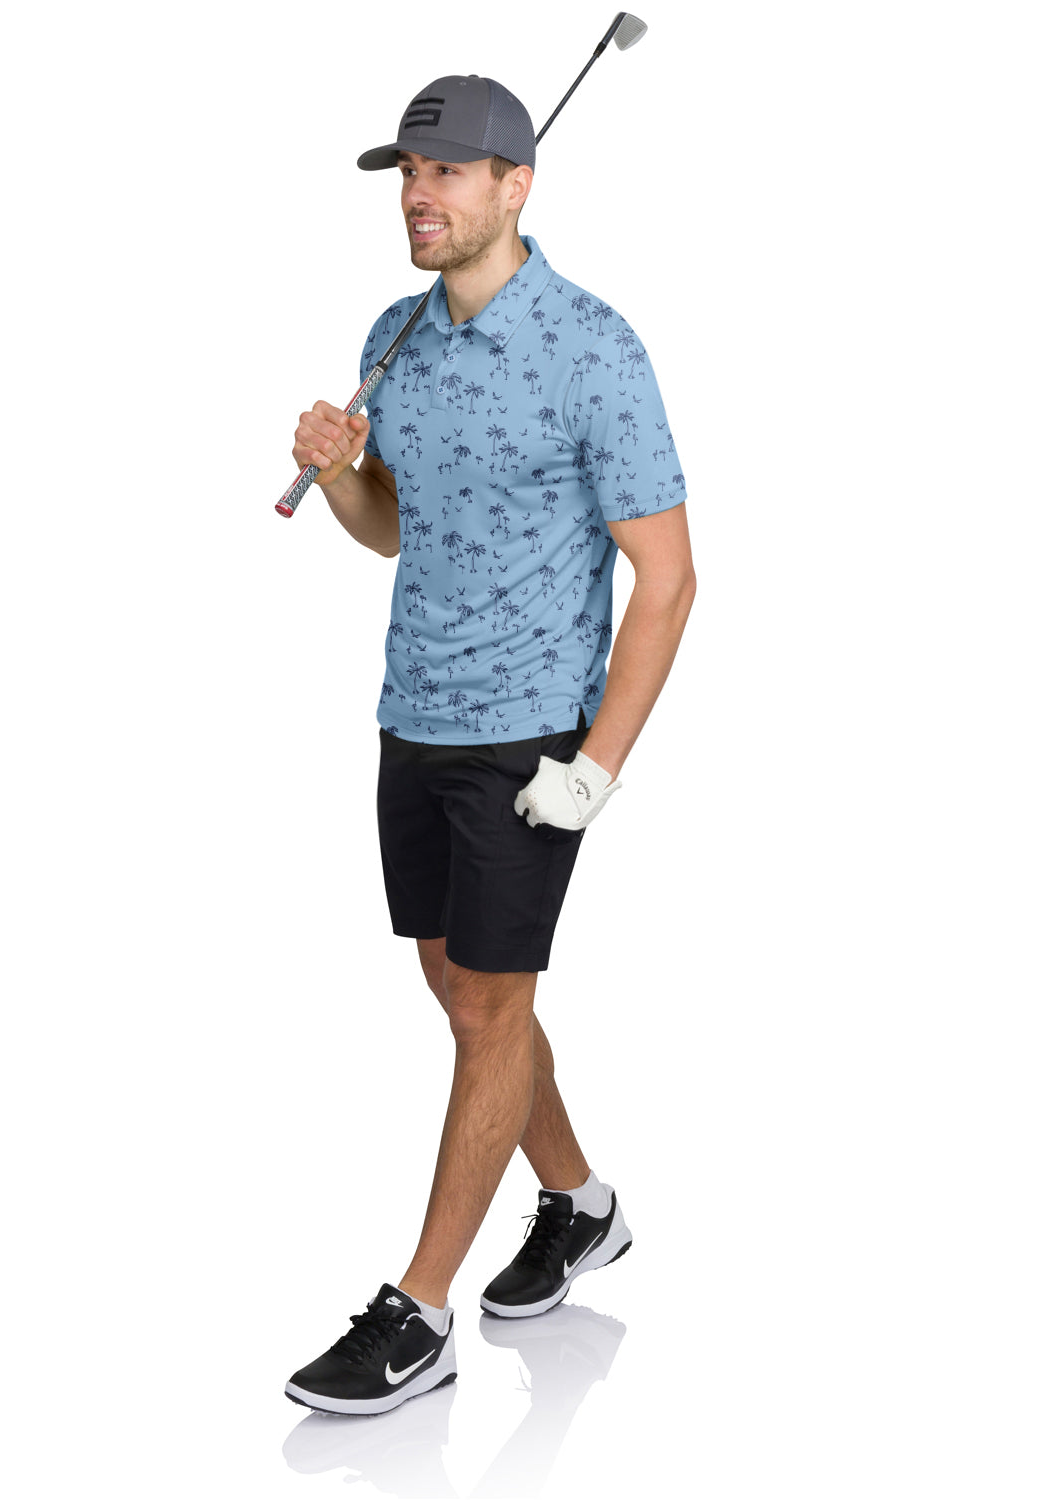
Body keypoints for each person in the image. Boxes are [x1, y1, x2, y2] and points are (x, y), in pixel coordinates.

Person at [284, 74, 696, 1417]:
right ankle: (580, 1203)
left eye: (448, 172)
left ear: (516, 186)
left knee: (491, 1012)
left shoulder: (593, 348)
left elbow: (669, 578)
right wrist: (341, 473)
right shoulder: (396, 335)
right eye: (408, 172)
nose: (420, 194)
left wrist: (597, 769)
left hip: (532, 738)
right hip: (414, 715)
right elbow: (395, 530)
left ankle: (420, 1310)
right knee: (462, 989)